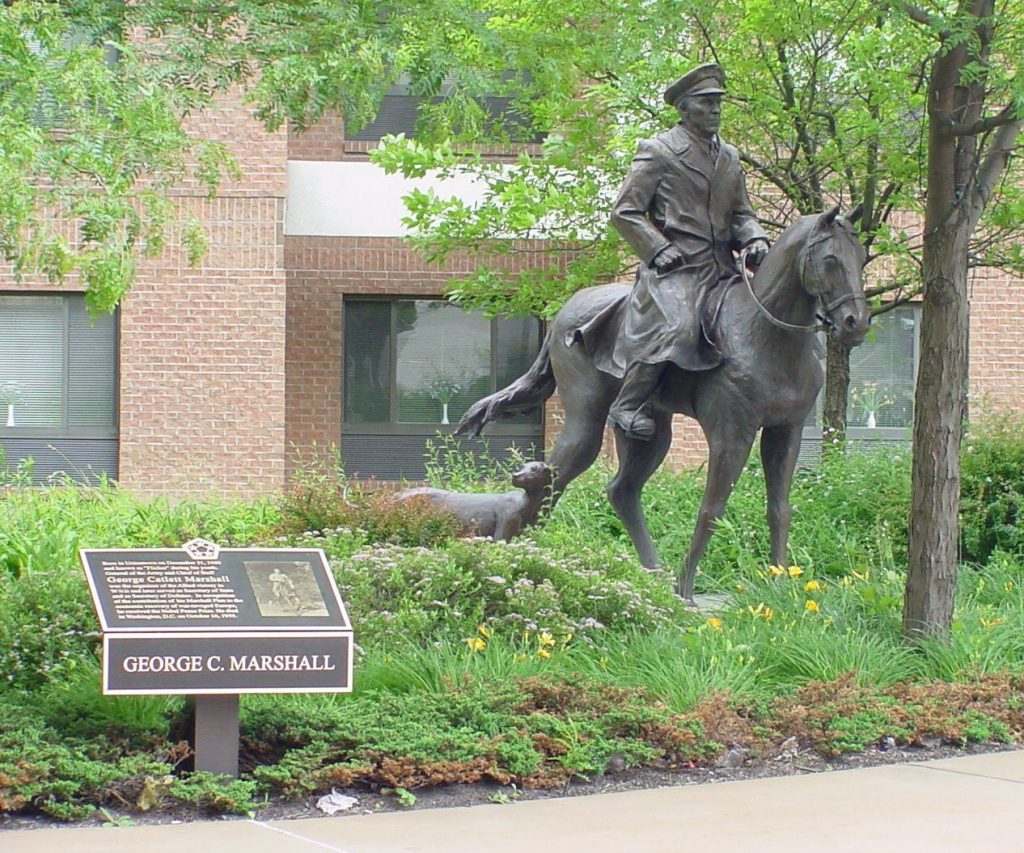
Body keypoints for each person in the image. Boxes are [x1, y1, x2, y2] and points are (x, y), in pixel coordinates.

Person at [606, 62, 770, 439]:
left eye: (718, 103)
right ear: (684, 108)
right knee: (679, 327)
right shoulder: (659, 152)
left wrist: (755, 238)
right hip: (676, 271)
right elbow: (625, 212)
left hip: (724, 270)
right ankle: (628, 403)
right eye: (706, 102)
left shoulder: (728, 156)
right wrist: (657, 248)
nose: (714, 110)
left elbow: (742, 213)